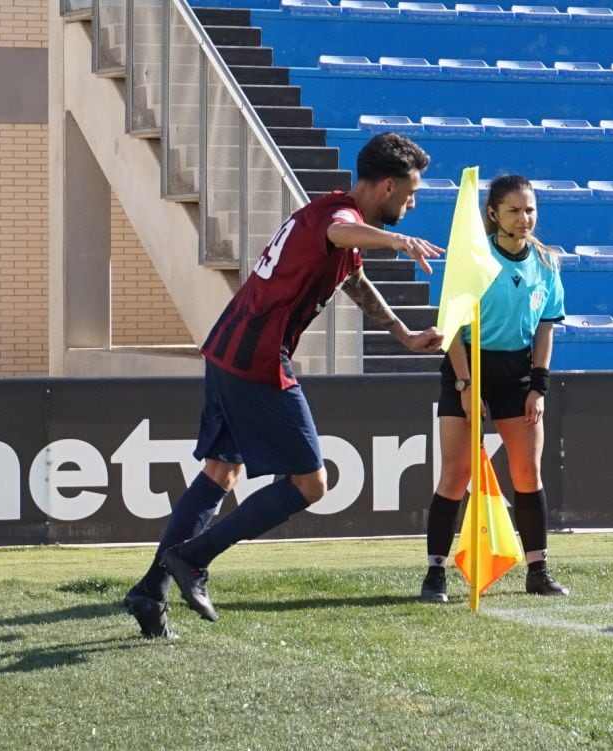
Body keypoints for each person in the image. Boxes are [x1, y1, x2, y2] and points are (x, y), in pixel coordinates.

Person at [122, 132, 444, 637]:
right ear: (386, 186)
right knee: (311, 484)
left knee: (219, 473)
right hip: (256, 357)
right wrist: (398, 241)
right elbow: (342, 235)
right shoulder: (338, 219)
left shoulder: (331, 213)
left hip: (228, 346)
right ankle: (194, 560)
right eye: (410, 192)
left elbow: (351, 277)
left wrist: (401, 332)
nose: (413, 201)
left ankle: (150, 592)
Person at [420, 174, 568, 603]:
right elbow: (451, 328)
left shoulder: (546, 262)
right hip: (468, 364)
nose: (525, 219)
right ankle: (435, 576)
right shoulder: (473, 258)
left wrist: (538, 387)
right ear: (492, 213)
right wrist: (467, 384)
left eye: (531, 210)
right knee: (455, 475)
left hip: (517, 373)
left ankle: (537, 569)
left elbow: (545, 327)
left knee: (527, 473)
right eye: (515, 210)